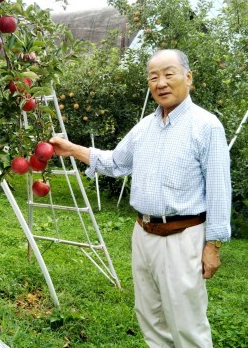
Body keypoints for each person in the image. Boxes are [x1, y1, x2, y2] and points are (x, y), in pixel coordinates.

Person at [49, 49, 231, 348]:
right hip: (143, 234)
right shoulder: (145, 127)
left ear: (188, 77)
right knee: (150, 317)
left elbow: (219, 189)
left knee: (187, 323)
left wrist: (213, 245)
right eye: (153, 77)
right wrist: (71, 149)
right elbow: (115, 162)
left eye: (169, 73)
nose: (161, 82)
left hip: (183, 236)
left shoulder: (206, 126)